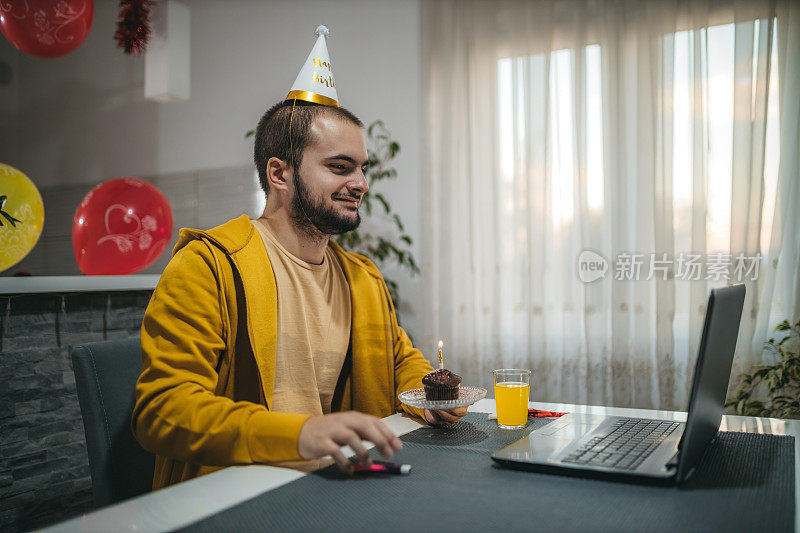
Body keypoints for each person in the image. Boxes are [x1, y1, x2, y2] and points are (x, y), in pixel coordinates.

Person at [130, 98, 467, 489]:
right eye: (340, 167)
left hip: (341, 486)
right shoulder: (208, 265)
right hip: (235, 495)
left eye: (362, 169)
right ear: (280, 173)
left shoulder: (362, 278)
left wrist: (430, 395)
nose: (360, 184)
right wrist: (300, 434)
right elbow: (162, 410)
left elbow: (397, 360)